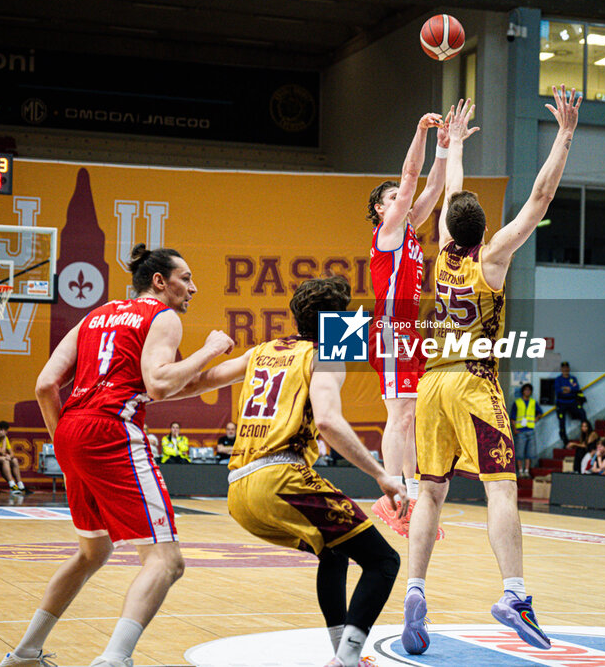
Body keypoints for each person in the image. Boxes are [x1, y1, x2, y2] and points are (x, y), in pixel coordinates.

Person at [404, 87, 582, 655]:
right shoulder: (493, 256)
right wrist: (565, 135)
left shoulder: (441, 252)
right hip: (474, 385)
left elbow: (454, 191)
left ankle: (414, 590)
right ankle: (514, 593)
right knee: (501, 489)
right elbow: (540, 197)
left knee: (430, 495)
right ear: (484, 230)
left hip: (431, 382)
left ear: (451, 230)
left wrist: (451, 143)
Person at [1, 244, 235, 667]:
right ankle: (114, 659)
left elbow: (44, 385)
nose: (193, 287)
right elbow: (160, 384)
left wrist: (69, 443)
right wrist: (211, 350)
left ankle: (24, 653)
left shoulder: (96, 315)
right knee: (166, 561)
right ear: (159, 282)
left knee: (93, 553)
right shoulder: (161, 317)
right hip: (112, 431)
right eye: (186, 278)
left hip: (72, 429)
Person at [216, 276, 406, 667]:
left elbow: (195, 381)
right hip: (281, 479)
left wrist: (158, 382)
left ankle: (341, 654)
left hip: (237, 490)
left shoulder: (263, 351)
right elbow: (329, 423)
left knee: (334, 552)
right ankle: (348, 659)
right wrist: (382, 474)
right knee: (383, 561)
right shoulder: (326, 354)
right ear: (336, 319)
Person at [367, 108, 456, 538]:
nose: (400, 199)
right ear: (380, 211)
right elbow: (410, 176)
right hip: (388, 330)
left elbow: (434, 185)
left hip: (409, 333)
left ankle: (413, 495)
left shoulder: (409, 232)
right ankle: (391, 496)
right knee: (400, 415)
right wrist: (420, 131)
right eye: (390, 199)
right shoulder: (388, 231)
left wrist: (444, 146)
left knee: (415, 415)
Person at [510, 384, 542, 477]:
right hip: (520, 431)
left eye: (529, 390)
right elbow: (513, 418)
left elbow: (539, 413)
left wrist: (536, 419)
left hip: (530, 430)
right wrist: (514, 429)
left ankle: (526, 471)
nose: (527, 392)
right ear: (523, 391)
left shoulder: (533, 402)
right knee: (519, 452)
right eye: (526, 390)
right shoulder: (517, 402)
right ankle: (520, 471)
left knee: (530, 452)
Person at [0, 421, 27, 494]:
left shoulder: (5, 437)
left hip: (0, 458)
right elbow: (1, 451)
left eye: (3, 430)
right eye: (0, 430)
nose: (2, 432)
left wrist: (9, 456)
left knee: (14, 460)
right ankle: (12, 485)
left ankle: (20, 485)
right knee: (5, 460)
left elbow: (12, 453)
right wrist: (4, 439)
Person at [554, 361, 585, 445]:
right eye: (563, 368)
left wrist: (569, 389)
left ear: (569, 369)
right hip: (561, 403)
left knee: (582, 414)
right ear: (561, 369)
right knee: (562, 423)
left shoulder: (573, 379)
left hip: (572, 401)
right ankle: (565, 441)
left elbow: (576, 388)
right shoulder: (558, 379)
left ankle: (585, 436)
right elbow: (558, 391)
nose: (565, 369)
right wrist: (568, 389)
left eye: (566, 367)